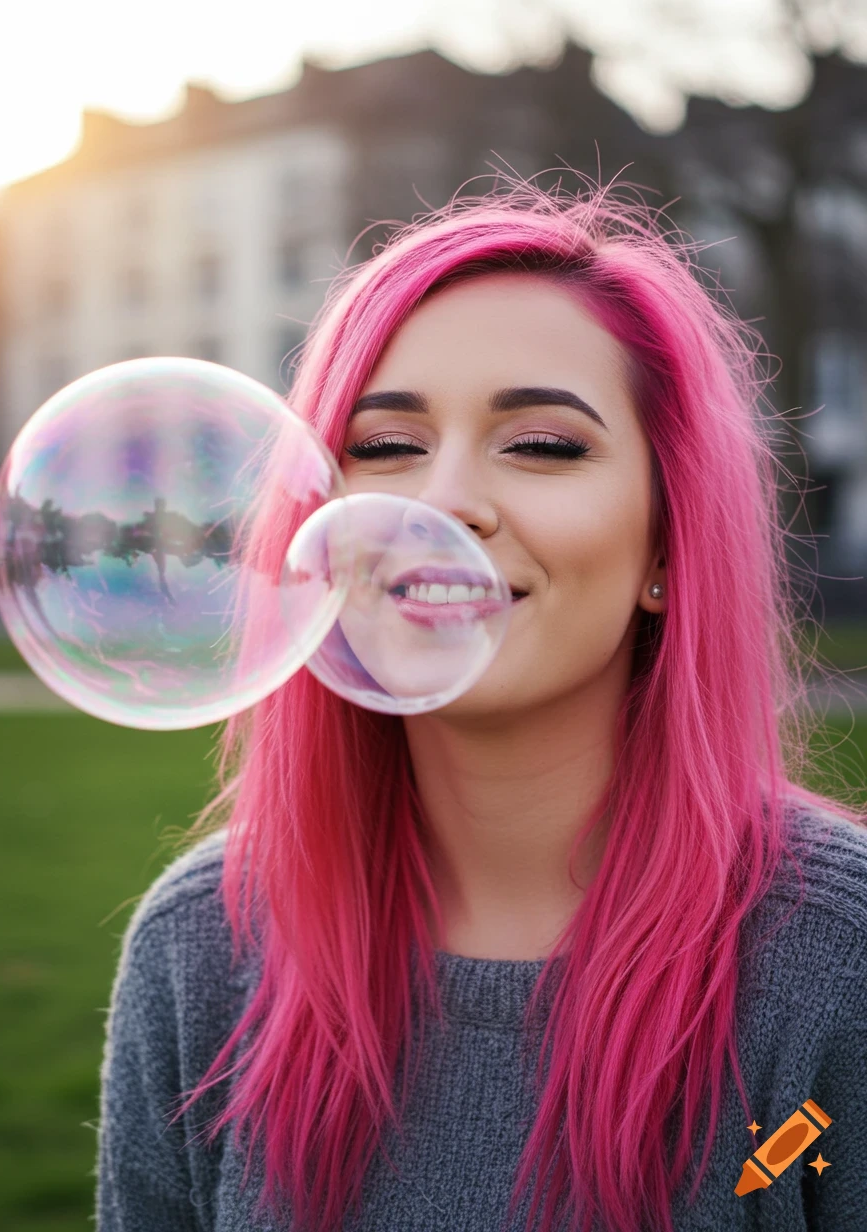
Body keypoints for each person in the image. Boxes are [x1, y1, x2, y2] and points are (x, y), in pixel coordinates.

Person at [95, 178, 867, 1232]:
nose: (443, 501)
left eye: (542, 444)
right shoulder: (200, 948)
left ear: (666, 542)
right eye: (384, 446)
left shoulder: (840, 959)